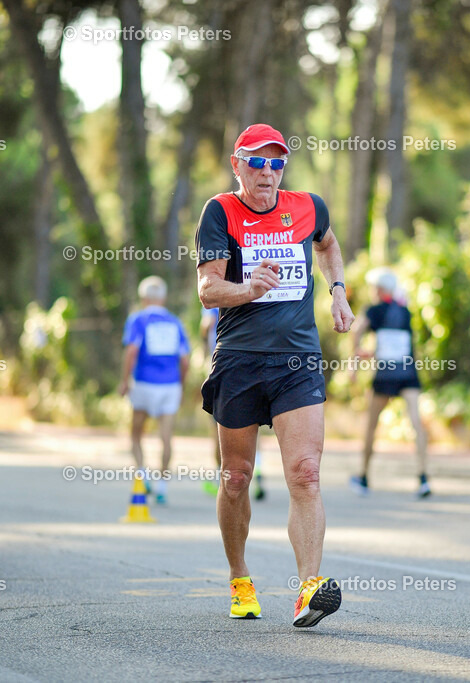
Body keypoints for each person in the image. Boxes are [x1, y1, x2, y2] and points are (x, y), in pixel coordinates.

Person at [195, 123, 354, 627]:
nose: (267, 172)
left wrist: (339, 291)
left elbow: (327, 247)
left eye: (276, 162)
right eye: (257, 162)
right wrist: (248, 289)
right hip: (240, 359)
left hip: (298, 359)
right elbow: (207, 289)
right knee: (237, 478)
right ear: (236, 164)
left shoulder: (308, 206)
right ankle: (240, 577)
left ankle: (309, 588)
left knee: (305, 472)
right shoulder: (220, 211)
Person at [350, 268, 430, 498]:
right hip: (407, 372)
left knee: (372, 424)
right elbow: (397, 343)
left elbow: (357, 329)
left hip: (386, 374)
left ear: (380, 288)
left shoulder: (374, 310)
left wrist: (355, 357)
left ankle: (364, 477)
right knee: (416, 422)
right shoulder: (405, 311)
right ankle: (423, 477)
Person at [119, 276, 190, 505]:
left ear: (143, 299)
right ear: (164, 298)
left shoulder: (137, 319)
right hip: (170, 385)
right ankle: (163, 486)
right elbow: (185, 359)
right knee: (166, 437)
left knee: (136, 433)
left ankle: (142, 474)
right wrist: (181, 383)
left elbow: (131, 352)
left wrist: (124, 381)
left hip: (144, 383)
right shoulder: (175, 322)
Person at [199, 307, 265, 500]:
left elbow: (207, 325)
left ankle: (221, 473)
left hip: (224, 363)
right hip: (256, 362)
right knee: (254, 424)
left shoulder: (218, 289)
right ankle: (258, 469)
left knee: (220, 423)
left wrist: (205, 356)